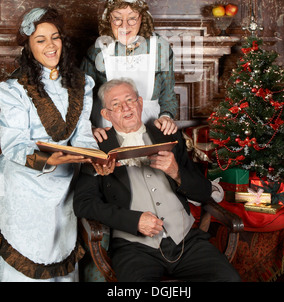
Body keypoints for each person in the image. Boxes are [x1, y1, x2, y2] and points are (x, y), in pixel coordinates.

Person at [73, 78, 241, 282]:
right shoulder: (97, 148)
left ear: (140, 103)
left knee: (229, 280)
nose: (125, 107)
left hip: (187, 241)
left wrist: (176, 172)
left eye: (130, 100)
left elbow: (204, 192)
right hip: (134, 249)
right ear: (106, 114)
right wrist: (134, 221)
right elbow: (84, 204)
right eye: (116, 104)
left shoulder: (168, 135)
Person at [0, 7, 100, 282]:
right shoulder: (13, 89)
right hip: (25, 188)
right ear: (28, 46)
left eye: (54, 37)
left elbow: (82, 135)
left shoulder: (81, 83)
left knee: (60, 261)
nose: (50, 45)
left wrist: (97, 158)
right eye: (40, 40)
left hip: (64, 186)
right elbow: (13, 146)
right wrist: (47, 160)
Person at [81, 0, 178, 140]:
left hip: (151, 131)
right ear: (109, 18)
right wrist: (89, 128)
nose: (124, 26)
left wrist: (167, 116)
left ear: (142, 18)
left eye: (132, 18)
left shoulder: (160, 48)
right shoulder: (98, 50)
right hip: (108, 134)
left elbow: (168, 96)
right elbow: (82, 98)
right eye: (117, 18)